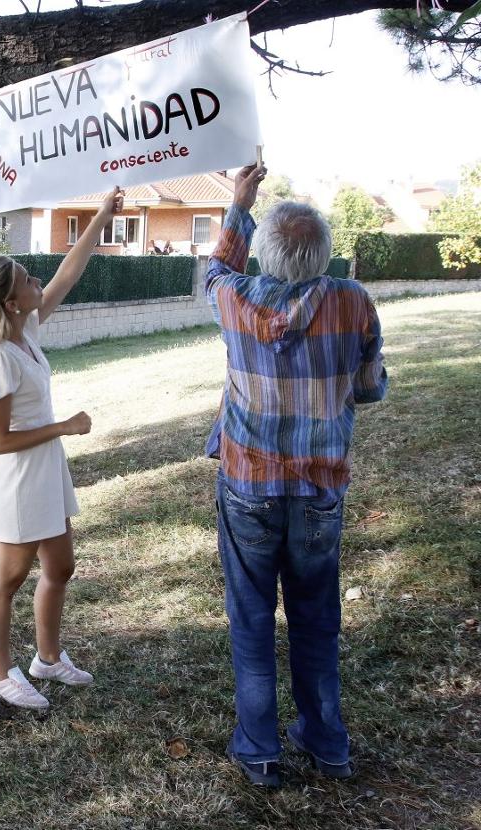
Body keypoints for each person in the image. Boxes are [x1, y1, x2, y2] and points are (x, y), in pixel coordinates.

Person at [206, 164, 387, 788]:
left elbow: (214, 272)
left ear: (267, 254)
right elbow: (370, 388)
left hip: (247, 486)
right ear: (323, 254)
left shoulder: (234, 298)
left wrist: (239, 202)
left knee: (251, 617)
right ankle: (327, 743)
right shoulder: (354, 302)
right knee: (316, 615)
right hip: (319, 490)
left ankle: (260, 751)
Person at [0, 188, 123, 710]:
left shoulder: (26, 331)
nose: (39, 283)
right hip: (18, 477)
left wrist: (100, 217)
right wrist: (63, 427)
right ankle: (1, 675)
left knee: (61, 566)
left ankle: (47, 660)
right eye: (29, 280)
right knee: (6, 580)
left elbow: (67, 276)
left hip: (47, 470)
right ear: (11, 302)